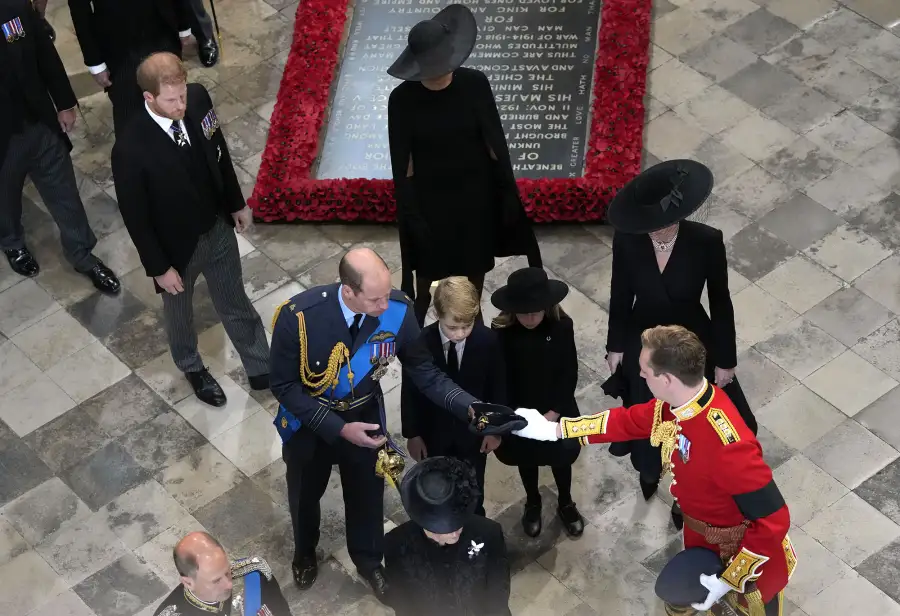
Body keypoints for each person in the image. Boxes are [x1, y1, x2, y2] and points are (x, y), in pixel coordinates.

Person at [512, 325, 795, 616]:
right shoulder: (679, 404)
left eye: (645, 373)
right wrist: (554, 430)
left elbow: (773, 520)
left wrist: (729, 579)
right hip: (704, 539)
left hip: (741, 557)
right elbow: (628, 421)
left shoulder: (728, 446)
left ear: (668, 378)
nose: (641, 377)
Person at [269, 247, 482, 601]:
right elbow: (284, 386)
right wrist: (338, 428)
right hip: (311, 419)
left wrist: (470, 405)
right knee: (305, 492)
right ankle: (305, 550)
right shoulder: (301, 317)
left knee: (368, 494)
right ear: (348, 290)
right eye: (375, 299)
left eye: (386, 294)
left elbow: (424, 372)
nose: (385, 306)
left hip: (364, 414)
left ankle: (369, 562)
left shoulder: (396, 310)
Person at [111, 53, 269, 407]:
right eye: (172, 100)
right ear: (149, 97)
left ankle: (261, 365)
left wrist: (234, 202)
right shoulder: (130, 149)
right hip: (175, 249)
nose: (181, 104)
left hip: (216, 226)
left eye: (182, 94)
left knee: (234, 298)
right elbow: (136, 217)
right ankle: (191, 365)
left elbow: (218, 150)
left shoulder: (198, 98)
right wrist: (158, 268)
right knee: (180, 314)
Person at [604, 159, 756, 521]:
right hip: (644, 341)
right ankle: (649, 469)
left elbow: (720, 302)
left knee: (695, 423)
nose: (659, 233)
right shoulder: (627, 241)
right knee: (648, 417)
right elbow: (621, 294)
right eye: (652, 228)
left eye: (665, 225)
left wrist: (725, 359)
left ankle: (686, 492)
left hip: (691, 340)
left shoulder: (706, 241)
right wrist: (615, 346)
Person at [387, 4, 542, 325]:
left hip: (475, 199)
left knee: (474, 267)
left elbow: (494, 145)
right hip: (432, 203)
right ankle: (419, 327)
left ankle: (474, 323)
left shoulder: (474, 84)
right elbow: (405, 166)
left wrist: (506, 197)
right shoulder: (401, 101)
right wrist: (413, 216)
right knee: (428, 273)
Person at [0, 0, 120, 293]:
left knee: (64, 192)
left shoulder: (13, 6)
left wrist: (64, 103)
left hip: (39, 123)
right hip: (3, 140)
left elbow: (45, 54)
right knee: (5, 197)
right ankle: (12, 243)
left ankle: (82, 255)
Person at [489, 267, 584, 538]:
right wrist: (511, 416)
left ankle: (565, 501)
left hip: (555, 406)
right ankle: (533, 501)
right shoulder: (502, 333)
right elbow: (500, 376)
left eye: (536, 311)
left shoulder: (562, 327)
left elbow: (569, 372)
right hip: (519, 408)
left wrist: (553, 412)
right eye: (523, 311)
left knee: (560, 457)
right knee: (525, 457)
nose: (530, 317)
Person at [401, 277, 506, 515]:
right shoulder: (420, 343)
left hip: (474, 435)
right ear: (437, 314)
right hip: (433, 434)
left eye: (466, 326)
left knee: (474, 486)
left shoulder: (488, 341)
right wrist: (413, 434)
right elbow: (409, 391)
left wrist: (495, 430)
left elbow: (497, 387)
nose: (460, 333)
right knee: (437, 488)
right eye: (452, 327)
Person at [385, 456, 511, 616]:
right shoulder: (396, 544)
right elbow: (403, 604)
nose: (454, 531)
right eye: (441, 528)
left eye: (457, 522)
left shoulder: (488, 532)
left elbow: (498, 594)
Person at [68, 0, 193, 134]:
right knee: (129, 116)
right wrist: (95, 62)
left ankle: (181, 147)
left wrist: (183, 25)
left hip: (163, 29)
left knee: (173, 101)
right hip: (119, 47)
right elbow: (79, 9)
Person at [152, 531, 291, 615]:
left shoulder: (255, 573)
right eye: (216, 580)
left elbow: (281, 612)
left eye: (227, 572)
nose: (229, 584)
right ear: (188, 582)